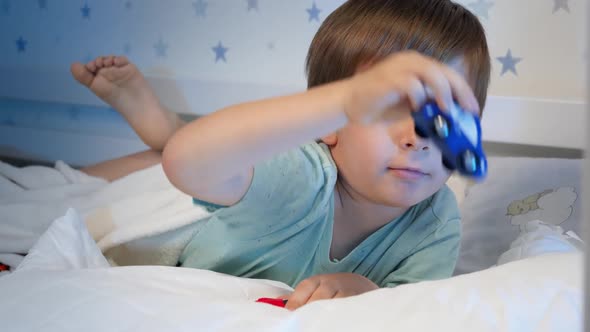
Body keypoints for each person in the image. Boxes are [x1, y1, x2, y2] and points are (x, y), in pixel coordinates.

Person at [70, 0, 490, 310]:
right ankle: (162, 127)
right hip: (205, 185)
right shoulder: (301, 176)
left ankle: (166, 129)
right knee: (150, 169)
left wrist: (367, 290)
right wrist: (346, 99)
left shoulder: (435, 222)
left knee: (209, 156)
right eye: (387, 109)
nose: (417, 139)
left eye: (443, 118)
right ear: (329, 121)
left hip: (229, 177)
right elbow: (185, 164)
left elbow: (416, 306)